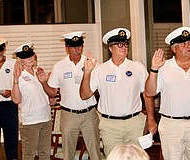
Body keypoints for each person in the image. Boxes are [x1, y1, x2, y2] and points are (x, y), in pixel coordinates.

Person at [79, 28, 157, 156]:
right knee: (112, 157)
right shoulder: (100, 70)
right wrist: (87, 72)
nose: (124, 47)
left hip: (134, 123)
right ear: (110, 48)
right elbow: (84, 95)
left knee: (136, 157)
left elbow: (147, 94)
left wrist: (151, 118)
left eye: (126, 44)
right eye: (120, 44)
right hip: (110, 126)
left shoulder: (138, 67)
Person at [145, 26, 190, 160]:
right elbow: (149, 92)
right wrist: (154, 69)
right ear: (174, 48)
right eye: (183, 43)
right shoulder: (163, 68)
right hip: (171, 126)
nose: (188, 46)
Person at [36, 31, 101, 160]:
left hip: (89, 114)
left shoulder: (92, 63)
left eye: (79, 46)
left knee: (95, 153)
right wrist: (43, 82)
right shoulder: (59, 66)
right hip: (69, 115)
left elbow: (100, 89)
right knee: (68, 154)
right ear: (67, 48)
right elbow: (52, 92)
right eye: (73, 46)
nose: (77, 49)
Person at [11, 42, 52, 160]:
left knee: (44, 154)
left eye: (31, 55)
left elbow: (40, 94)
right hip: (30, 122)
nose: (30, 59)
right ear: (20, 60)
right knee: (29, 155)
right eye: (25, 57)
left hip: (46, 118)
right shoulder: (19, 75)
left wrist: (50, 99)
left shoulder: (37, 72)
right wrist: (15, 79)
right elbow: (16, 100)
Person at [0, 37, 18, 160]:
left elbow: (20, 83)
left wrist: (11, 92)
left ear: (4, 49)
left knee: (11, 138)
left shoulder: (13, 63)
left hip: (9, 105)